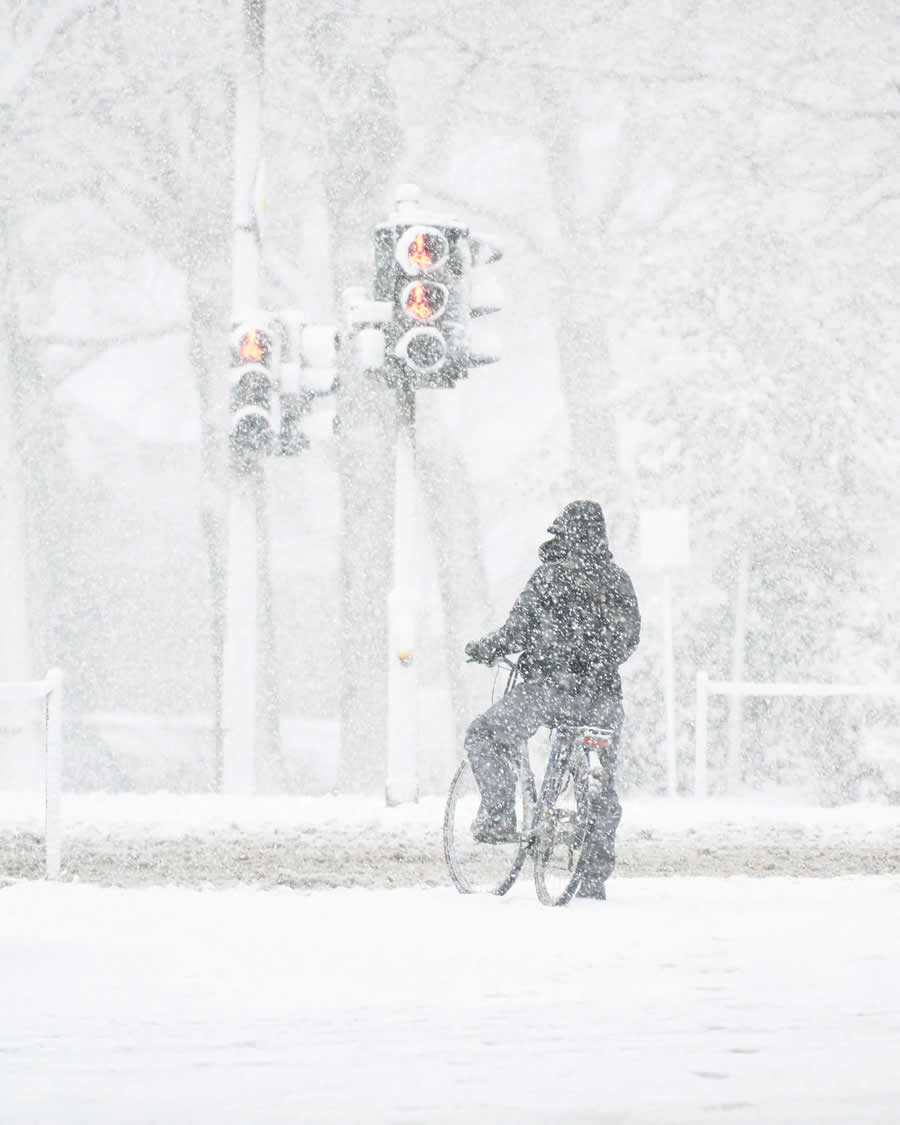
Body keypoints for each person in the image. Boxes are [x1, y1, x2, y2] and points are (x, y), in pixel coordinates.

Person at [464, 500, 640, 899]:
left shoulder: (550, 578)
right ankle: (592, 877)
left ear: (563, 535)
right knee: (601, 784)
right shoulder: (619, 581)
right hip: (602, 698)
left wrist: (484, 649)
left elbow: (516, 632)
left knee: (484, 735)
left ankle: (497, 815)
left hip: (550, 692)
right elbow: (630, 639)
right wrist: (595, 658)